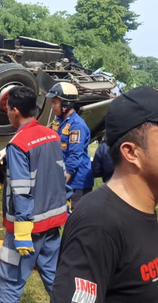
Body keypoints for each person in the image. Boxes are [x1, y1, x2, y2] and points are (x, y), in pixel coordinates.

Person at [51, 86, 158, 303]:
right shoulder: (97, 225)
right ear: (130, 152)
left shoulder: (144, 210)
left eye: (55, 101)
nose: (53, 106)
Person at [0, 86, 68, 302]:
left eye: (8, 110)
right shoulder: (52, 135)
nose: (8, 114)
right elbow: (60, 176)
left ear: (15, 111)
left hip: (28, 226)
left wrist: (22, 231)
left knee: (10, 280)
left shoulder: (18, 144)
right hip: (53, 222)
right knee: (54, 277)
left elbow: (20, 189)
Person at [46, 82, 94, 210]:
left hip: (77, 183)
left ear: (65, 103)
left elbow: (74, 157)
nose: (52, 107)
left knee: (74, 219)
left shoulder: (76, 126)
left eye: (54, 102)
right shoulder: (58, 121)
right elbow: (45, 134)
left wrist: (60, 183)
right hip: (65, 178)